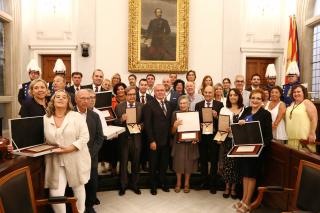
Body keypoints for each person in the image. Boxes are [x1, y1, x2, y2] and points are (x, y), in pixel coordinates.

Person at [43, 90, 91, 213]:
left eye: (64, 97)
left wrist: (69, 148)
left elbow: (85, 137)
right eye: (57, 96)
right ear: (52, 101)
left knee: (78, 187)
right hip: (56, 160)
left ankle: (80, 211)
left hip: (75, 157)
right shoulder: (46, 118)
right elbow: (43, 139)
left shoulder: (76, 116)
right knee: (55, 193)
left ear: (68, 101)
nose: (60, 98)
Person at [234, 89, 272, 213]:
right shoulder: (246, 111)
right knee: (245, 175)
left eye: (258, 98)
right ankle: (244, 199)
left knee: (252, 176)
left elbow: (268, 136)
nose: (255, 100)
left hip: (257, 151)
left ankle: (248, 202)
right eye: (253, 98)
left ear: (262, 101)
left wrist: (260, 147)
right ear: (250, 99)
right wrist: (239, 123)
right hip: (245, 149)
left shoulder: (265, 114)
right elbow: (241, 129)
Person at [75, 89, 103, 213]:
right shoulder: (70, 115)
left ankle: (89, 206)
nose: (86, 101)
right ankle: (76, 206)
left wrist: (90, 154)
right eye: (82, 98)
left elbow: (99, 137)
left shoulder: (95, 116)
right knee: (77, 183)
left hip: (91, 156)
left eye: (88, 98)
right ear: (76, 99)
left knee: (92, 182)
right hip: (74, 155)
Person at [144, 84, 173, 195]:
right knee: (153, 164)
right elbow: (147, 125)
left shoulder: (169, 105)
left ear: (165, 92)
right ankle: (153, 186)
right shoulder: (149, 105)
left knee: (163, 164)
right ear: (154, 92)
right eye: (158, 90)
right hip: (154, 142)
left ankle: (162, 183)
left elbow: (169, 123)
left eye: (162, 90)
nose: (161, 92)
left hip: (166, 141)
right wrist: (151, 140)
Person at [114, 87, 143, 196]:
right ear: (125, 95)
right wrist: (121, 119)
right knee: (123, 163)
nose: (132, 96)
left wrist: (141, 126)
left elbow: (145, 121)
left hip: (137, 139)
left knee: (136, 163)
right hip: (124, 139)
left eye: (134, 94)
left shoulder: (141, 106)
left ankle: (135, 185)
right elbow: (114, 122)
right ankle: (123, 186)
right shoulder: (119, 106)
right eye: (130, 94)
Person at [195, 85, 224, 194]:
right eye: (206, 92)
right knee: (203, 160)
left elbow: (223, 122)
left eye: (210, 92)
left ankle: (213, 183)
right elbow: (195, 121)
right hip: (202, 137)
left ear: (213, 93)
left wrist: (216, 116)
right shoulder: (198, 105)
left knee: (213, 160)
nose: (208, 94)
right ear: (203, 93)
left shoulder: (219, 105)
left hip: (214, 137)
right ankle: (203, 182)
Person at [171, 95, 199, 193]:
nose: (182, 105)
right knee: (178, 163)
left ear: (188, 104)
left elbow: (197, 129)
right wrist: (174, 126)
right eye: (181, 103)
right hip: (178, 143)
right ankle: (178, 183)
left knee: (189, 163)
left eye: (184, 103)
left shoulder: (194, 114)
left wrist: (196, 138)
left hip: (191, 143)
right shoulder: (175, 114)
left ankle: (187, 184)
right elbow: (172, 132)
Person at [219, 88, 243, 199]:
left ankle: (233, 188)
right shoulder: (224, 110)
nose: (233, 97)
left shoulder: (245, 109)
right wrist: (221, 135)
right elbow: (221, 127)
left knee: (237, 165)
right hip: (228, 140)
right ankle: (227, 187)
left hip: (240, 141)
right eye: (231, 95)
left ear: (239, 97)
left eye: (235, 95)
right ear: (228, 97)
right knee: (228, 164)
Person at [285, 84, 318, 152]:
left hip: (303, 141)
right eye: (294, 92)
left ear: (303, 93)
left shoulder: (307, 102)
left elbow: (314, 118)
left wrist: (312, 133)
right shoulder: (292, 104)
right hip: (291, 138)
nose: (296, 94)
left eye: (298, 91)